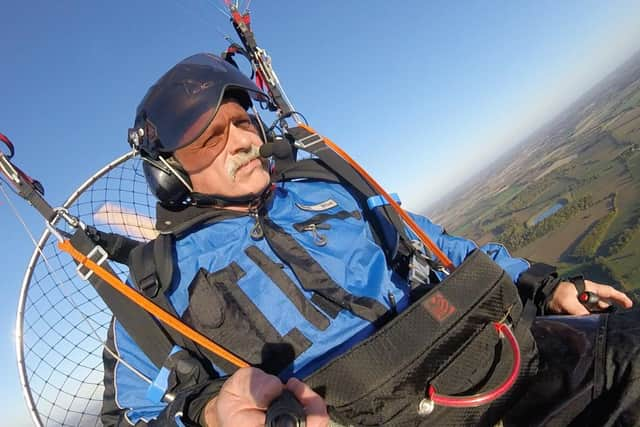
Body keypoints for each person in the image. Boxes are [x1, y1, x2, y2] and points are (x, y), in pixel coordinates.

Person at [101, 53, 639, 427]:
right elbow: (132, 415)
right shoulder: (154, 289)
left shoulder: (325, 185)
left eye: (242, 122)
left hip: (486, 353)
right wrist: (210, 412)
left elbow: (436, 245)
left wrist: (542, 286)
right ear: (171, 175)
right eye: (209, 141)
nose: (241, 140)